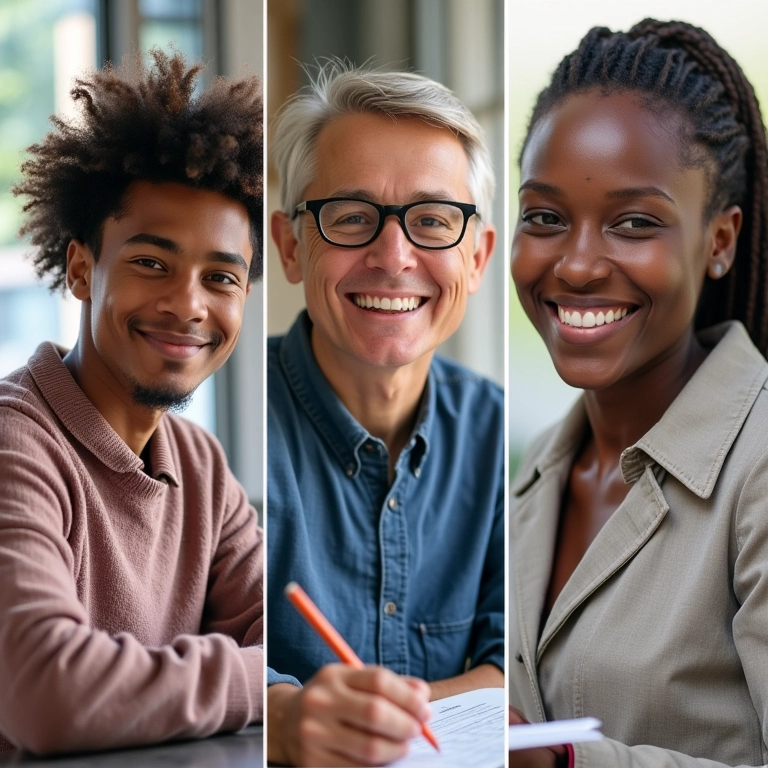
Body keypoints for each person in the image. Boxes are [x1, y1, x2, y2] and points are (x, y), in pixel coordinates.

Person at [509, 18, 768, 768]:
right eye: (546, 218)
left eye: (634, 222)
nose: (579, 265)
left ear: (719, 241)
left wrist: (556, 763)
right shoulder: (533, 480)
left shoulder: (754, 470)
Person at [0, 50, 264, 755]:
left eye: (221, 278)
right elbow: (46, 694)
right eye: (151, 263)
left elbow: (304, 638)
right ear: (83, 269)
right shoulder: (13, 443)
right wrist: (264, 682)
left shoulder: (198, 464)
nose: (188, 306)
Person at [266, 62, 504, 767]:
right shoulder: (220, 434)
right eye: (351, 218)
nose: (393, 256)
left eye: (433, 221)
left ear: (478, 258)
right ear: (289, 246)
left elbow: (519, 664)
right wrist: (285, 719)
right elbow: (188, 655)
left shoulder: (509, 441)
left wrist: (360, 722)